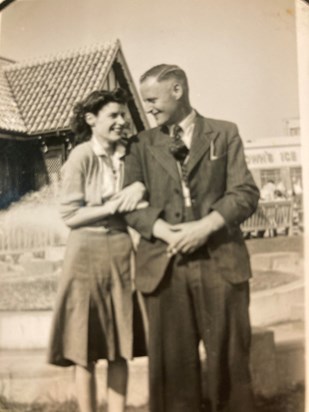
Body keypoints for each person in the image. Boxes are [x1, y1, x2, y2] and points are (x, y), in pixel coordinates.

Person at [123, 64, 260, 412]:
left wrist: (205, 227)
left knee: (230, 367)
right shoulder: (139, 145)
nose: (148, 107)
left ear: (177, 90)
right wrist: (164, 230)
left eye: (153, 99)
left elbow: (244, 192)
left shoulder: (224, 133)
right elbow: (129, 206)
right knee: (172, 376)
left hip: (221, 265)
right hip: (164, 270)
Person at [47, 88, 146, 412]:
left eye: (122, 115)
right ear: (91, 120)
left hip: (120, 249)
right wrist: (114, 204)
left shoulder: (130, 153)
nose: (121, 121)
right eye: (113, 116)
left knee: (120, 343)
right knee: (84, 344)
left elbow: (146, 186)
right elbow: (69, 214)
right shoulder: (81, 156)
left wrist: (140, 184)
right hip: (85, 251)